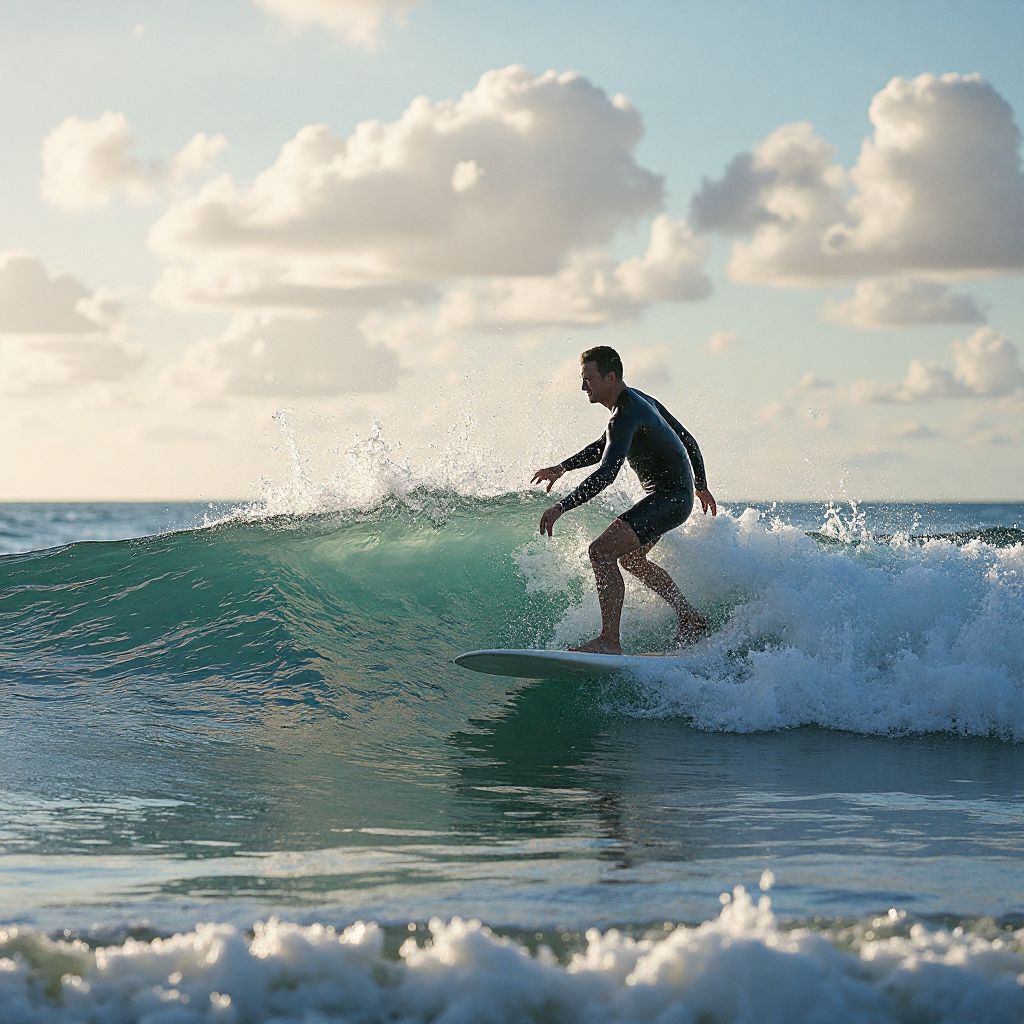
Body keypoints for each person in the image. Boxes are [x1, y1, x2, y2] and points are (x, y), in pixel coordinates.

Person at [531, 346, 717, 655]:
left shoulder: (624, 416)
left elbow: (607, 472)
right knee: (630, 559)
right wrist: (562, 467)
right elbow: (608, 445)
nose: (583, 387)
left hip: (668, 499)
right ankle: (689, 617)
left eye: (588, 379)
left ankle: (609, 641)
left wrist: (561, 506)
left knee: (601, 552)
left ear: (610, 377)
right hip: (674, 498)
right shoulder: (638, 402)